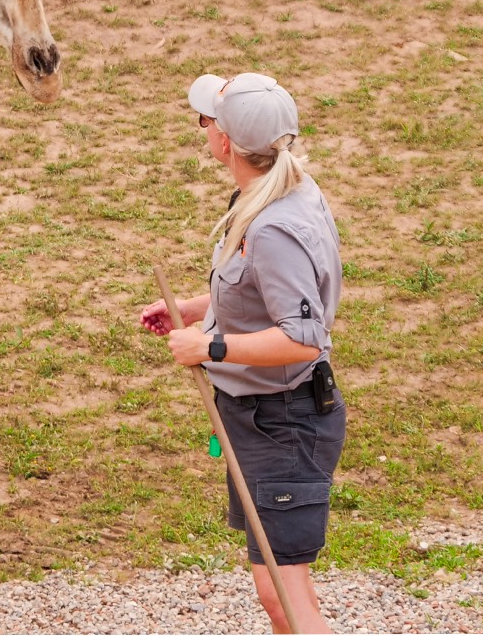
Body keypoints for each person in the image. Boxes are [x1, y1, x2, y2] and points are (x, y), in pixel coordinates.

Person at [140, 72, 346, 634]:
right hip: (259, 418)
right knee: (278, 590)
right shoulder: (278, 191)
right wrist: (193, 308)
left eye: (206, 120)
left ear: (226, 142)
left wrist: (210, 344)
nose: (202, 128)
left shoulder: (274, 224)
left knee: (283, 593)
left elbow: (304, 335)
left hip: (284, 423)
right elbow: (257, 287)